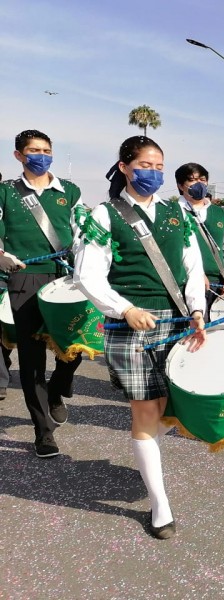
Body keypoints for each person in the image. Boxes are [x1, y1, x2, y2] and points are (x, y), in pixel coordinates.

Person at [74, 135, 207, 539]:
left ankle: (145, 447)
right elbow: (87, 275)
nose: (153, 172)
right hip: (132, 324)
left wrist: (198, 309)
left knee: (174, 409)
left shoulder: (176, 214)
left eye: (159, 166)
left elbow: (192, 265)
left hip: (177, 322)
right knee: (147, 414)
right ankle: (160, 506)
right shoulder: (104, 214)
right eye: (145, 165)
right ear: (125, 166)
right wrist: (125, 309)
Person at [0, 129, 85, 458]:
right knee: (32, 359)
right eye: (34, 150)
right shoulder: (6, 192)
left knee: (76, 346)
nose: (41, 155)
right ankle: (42, 431)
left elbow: (82, 234)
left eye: (46, 149)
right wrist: (2, 255)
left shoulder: (70, 191)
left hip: (64, 277)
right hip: (25, 279)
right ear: (19, 155)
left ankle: (58, 389)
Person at [175, 163, 224, 315]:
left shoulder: (220, 214)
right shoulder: (172, 212)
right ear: (180, 185)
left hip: (218, 283)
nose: (199, 184)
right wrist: (196, 276)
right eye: (192, 180)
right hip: (184, 284)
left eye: (202, 179)